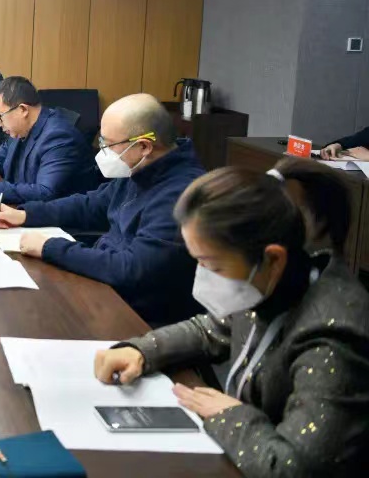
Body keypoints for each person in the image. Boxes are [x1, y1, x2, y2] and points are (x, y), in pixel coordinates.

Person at [93, 158, 369, 477]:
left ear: (273, 258)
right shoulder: (272, 281)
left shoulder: (333, 337)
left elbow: (292, 467)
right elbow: (212, 329)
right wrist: (141, 350)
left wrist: (229, 415)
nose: (203, 276)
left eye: (213, 265)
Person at [0, 94, 204, 327]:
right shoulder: (142, 169)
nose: (103, 152)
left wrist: (49, 247)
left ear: (143, 146)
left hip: (137, 315)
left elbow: (131, 269)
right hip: (105, 286)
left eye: (109, 145)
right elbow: (91, 204)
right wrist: (26, 214)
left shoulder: (181, 194)